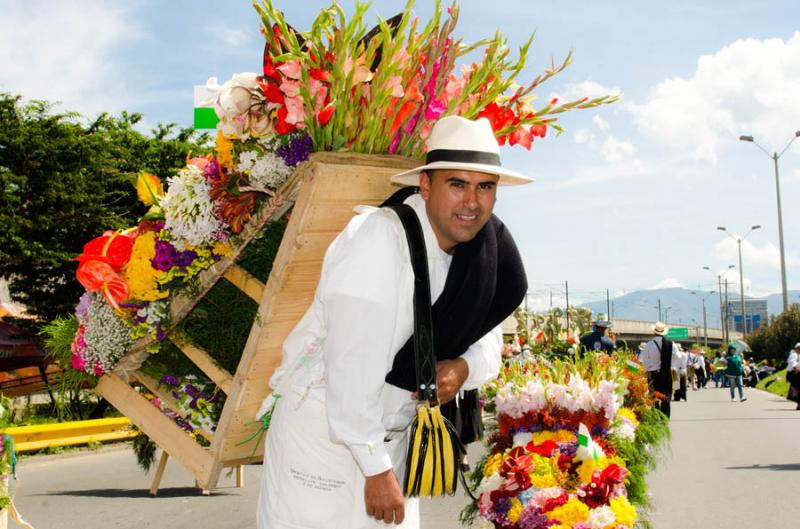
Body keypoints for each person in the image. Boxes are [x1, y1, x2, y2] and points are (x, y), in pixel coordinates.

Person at [256, 116, 532, 529]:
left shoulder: (482, 255)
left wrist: (464, 367)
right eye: (457, 184)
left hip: (394, 438)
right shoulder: (378, 241)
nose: (472, 201)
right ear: (425, 186)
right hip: (327, 438)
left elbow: (489, 338)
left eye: (485, 187)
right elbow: (351, 366)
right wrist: (374, 467)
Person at [640, 322, 683, 418]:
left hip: (653, 374)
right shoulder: (671, 343)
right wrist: (669, 362)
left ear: (654, 332)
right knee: (666, 396)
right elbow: (679, 357)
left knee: (654, 396)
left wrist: (647, 371)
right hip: (667, 373)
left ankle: (656, 416)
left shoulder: (649, 344)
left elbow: (644, 361)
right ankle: (665, 417)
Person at [786, 342, 800, 409]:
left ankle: (798, 404)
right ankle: (798, 403)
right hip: (795, 373)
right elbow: (793, 363)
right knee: (796, 388)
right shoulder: (794, 354)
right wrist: (796, 370)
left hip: (797, 373)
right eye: (798, 348)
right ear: (796, 348)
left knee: (796, 388)